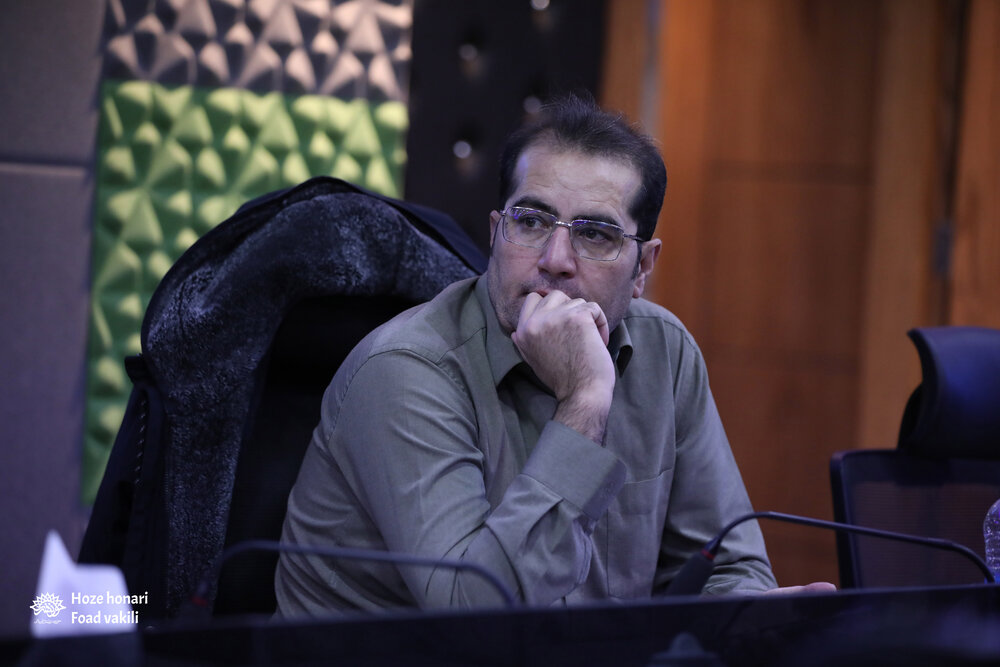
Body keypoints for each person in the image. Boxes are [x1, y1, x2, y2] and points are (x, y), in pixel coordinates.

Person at [275, 95, 827, 615]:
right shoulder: (406, 369)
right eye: (532, 222)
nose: (555, 259)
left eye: (596, 235)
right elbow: (476, 616)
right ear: (497, 234)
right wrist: (585, 400)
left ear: (642, 268)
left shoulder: (665, 351)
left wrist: (744, 621)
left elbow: (726, 565)